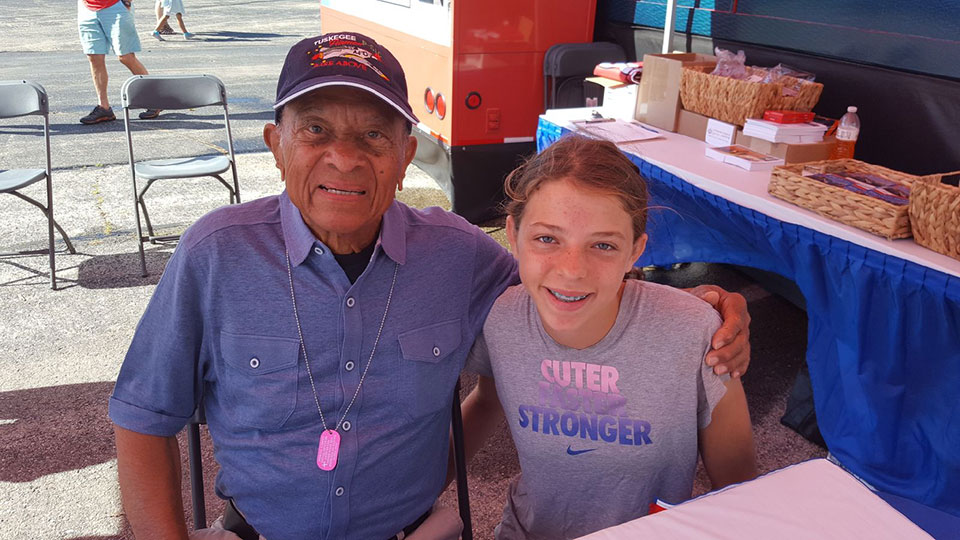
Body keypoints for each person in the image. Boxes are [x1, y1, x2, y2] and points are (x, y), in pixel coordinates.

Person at [109, 32, 752, 540]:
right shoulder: (216, 253)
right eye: (316, 129)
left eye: (373, 135)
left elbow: (564, 281)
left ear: (406, 155)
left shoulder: (459, 254)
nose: (345, 157)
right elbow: (142, 418)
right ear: (277, 144)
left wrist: (695, 310)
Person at [456, 135, 758, 539]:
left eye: (603, 245)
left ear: (635, 251)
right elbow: (487, 399)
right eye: (547, 238)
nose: (572, 270)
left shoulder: (695, 334)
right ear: (513, 235)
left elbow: (739, 489)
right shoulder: (502, 320)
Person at [77, 0, 160, 124]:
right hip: (87, 9)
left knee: (125, 57)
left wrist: (126, 2)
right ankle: (104, 107)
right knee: (94, 57)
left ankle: (155, 99)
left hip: (115, 6)